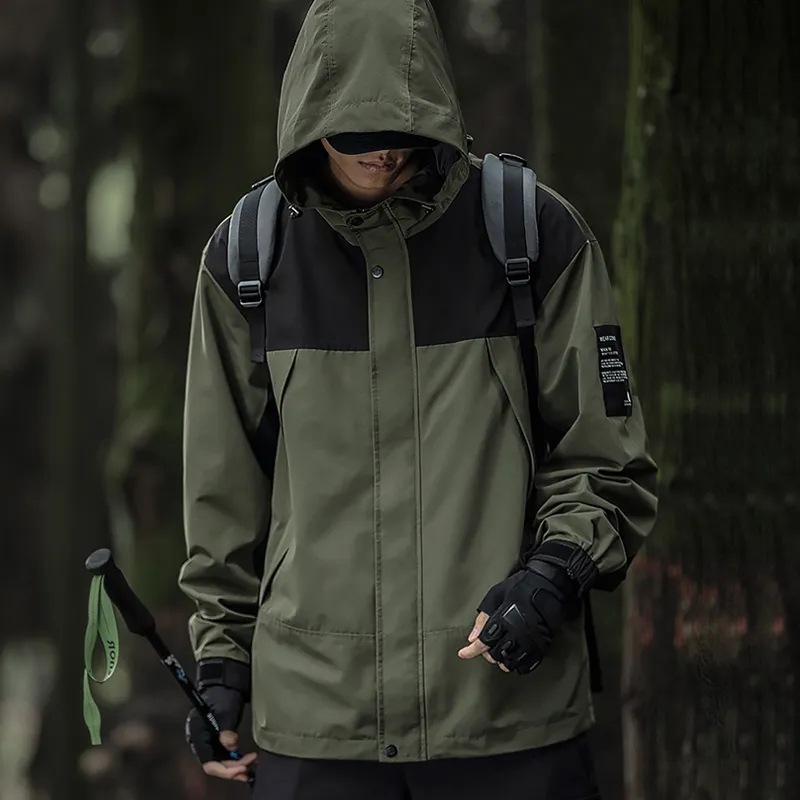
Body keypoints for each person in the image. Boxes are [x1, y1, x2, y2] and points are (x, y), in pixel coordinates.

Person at [179, 1, 658, 798]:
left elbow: (607, 460)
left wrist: (551, 575)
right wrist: (220, 665)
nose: (386, 152)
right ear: (311, 119)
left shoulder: (532, 234)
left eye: (402, 130)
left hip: (506, 716)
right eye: (358, 134)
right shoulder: (247, 258)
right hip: (318, 727)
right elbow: (222, 495)